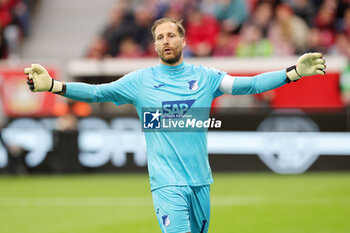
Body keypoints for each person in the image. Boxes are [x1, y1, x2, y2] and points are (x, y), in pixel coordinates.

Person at [24, 18, 326, 233]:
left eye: (171, 35)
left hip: (200, 181)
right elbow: (97, 92)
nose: (165, 41)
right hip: (167, 182)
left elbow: (248, 85)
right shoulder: (140, 81)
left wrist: (292, 73)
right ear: (154, 46)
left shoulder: (206, 77)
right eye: (159, 38)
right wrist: (53, 85)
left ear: (183, 40)